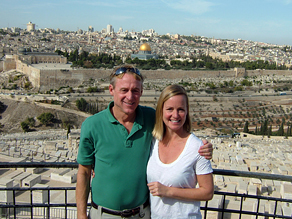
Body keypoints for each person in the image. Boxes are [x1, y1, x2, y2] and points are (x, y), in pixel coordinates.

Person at [76, 65, 213, 219]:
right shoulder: (92, 125)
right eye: (124, 90)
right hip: (103, 215)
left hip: (142, 214)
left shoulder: (150, 118)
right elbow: (84, 172)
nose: (130, 96)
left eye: (135, 90)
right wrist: (81, 215)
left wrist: (203, 147)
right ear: (111, 90)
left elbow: (175, 126)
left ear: (141, 92)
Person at [147, 84, 214, 219]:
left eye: (181, 109)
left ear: (187, 111)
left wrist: (168, 191)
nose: (175, 115)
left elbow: (207, 192)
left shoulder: (197, 147)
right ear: (161, 111)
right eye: (170, 109)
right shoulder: (152, 142)